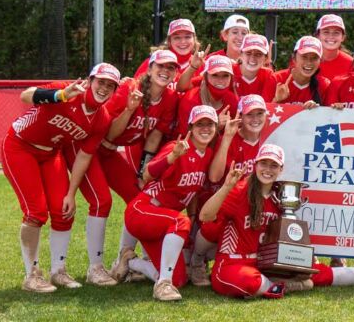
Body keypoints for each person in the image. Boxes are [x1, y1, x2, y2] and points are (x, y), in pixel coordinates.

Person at [3, 63, 120, 292]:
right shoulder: (67, 90)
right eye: (101, 82)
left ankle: (58, 271)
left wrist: (71, 193)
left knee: (63, 210)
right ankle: (32, 275)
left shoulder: (101, 118)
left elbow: (84, 157)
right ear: (90, 80)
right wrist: (60, 95)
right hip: (20, 147)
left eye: (110, 85)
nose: (104, 88)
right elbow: (25, 95)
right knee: (36, 211)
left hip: (50, 154)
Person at [201, 144, 354, 299]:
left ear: (281, 169)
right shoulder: (239, 190)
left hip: (266, 264)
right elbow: (205, 216)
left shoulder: (280, 196)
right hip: (234, 263)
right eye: (263, 164)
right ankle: (284, 286)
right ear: (256, 164)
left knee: (315, 271)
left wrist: (301, 259)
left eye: (274, 165)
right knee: (250, 281)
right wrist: (226, 187)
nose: (268, 170)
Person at [116, 105, 219, 301]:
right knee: (180, 223)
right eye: (200, 124)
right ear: (190, 128)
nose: (205, 129)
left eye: (210, 124)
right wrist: (173, 157)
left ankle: (130, 262)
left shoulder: (207, 155)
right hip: (143, 211)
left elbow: (192, 192)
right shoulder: (176, 147)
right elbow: (147, 174)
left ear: (215, 129)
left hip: (163, 223)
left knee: (179, 279)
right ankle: (162, 285)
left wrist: (193, 216)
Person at [94, 50, 180, 281]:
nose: (165, 71)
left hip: (110, 153)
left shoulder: (170, 97)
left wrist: (144, 170)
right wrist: (130, 109)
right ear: (149, 69)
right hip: (91, 149)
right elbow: (110, 133)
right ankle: (95, 267)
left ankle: (124, 259)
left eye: (171, 68)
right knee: (101, 201)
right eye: (160, 66)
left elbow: (155, 136)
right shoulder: (130, 88)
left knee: (137, 199)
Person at [188, 94, 269, 286]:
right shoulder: (232, 138)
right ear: (240, 115)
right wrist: (227, 138)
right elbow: (215, 176)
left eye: (260, 113)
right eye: (250, 114)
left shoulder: (270, 136)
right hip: (232, 201)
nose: (255, 119)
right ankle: (197, 259)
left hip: (259, 201)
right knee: (214, 223)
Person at [175, 55, 238, 138]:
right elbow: (184, 142)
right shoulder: (190, 100)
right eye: (215, 75)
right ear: (205, 76)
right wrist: (216, 127)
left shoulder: (232, 100)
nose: (220, 80)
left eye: (225, 75)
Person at [134, 18, 201, 91]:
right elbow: (134, 88)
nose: (183, 41)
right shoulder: (153, 62)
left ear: (194, 39)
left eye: (187, 37)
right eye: (177, 38)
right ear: (169, 41)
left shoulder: (202, 64)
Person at [272, 36, 330, 109]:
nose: (309, 62)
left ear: (320, 61)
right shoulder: (276, 79)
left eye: (314, 58)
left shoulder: (324, 85)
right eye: (304, 57)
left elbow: (330, 117)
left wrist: (316, 111)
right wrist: (276, 101)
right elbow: (261, 115)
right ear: (294, 58)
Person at [232, 34, 276, 101]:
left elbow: (266, 106)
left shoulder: (268, 75)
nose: (252, 58)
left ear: (266, 58)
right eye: (248, 53)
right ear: (240, 54)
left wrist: (276, 100)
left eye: (258, 54)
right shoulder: (229, 71)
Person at [314, 14, 353, 81]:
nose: (331, 36)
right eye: (326, 32)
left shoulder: (351, 64)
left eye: (336, 33)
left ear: (343, 37)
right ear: (318, 36)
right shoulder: (305, 59)